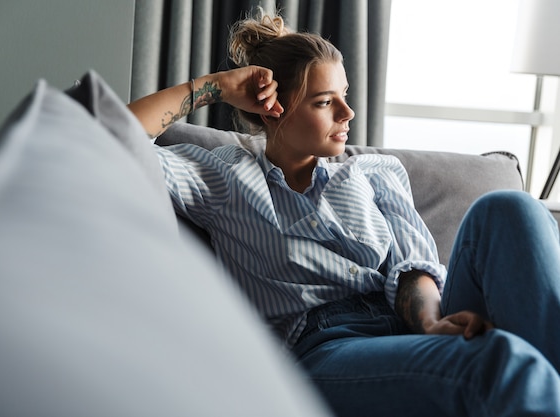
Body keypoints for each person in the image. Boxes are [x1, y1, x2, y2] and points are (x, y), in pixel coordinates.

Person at [127, 10, 560, 417]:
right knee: (500, 361)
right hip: (325, 350)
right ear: (275, 110)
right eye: (324, 102)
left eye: (344, 96)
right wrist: (215, 87)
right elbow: (112, 134)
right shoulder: (221, 176)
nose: (348, 113)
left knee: (509, 208)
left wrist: (430, 321)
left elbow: (410, 267)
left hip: (411, 322)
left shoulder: (373, 173)